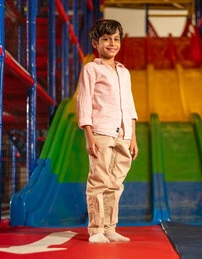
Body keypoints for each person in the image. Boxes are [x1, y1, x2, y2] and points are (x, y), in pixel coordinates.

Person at [76, 19, 138, 244]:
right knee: (99, 180)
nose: (112, 43)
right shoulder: (92, 69)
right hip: (101, 131)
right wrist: (89, 134)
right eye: (106, 39)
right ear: (96, 43)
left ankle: (110, 227)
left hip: (123, 133)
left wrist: (132, 137)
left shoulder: (124, 72)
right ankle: (96, 229)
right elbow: (83, 102)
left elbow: (129, 106)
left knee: (115, 183)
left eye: (116, 39)